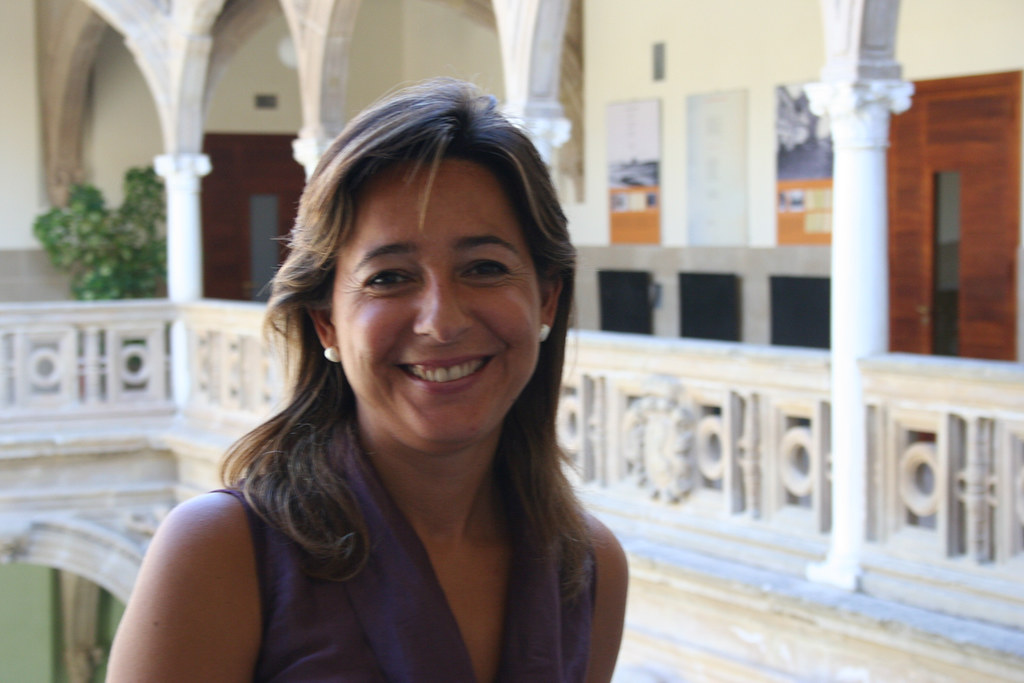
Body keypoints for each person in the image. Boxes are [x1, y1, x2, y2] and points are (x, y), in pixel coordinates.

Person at [107, 78, 628, 682]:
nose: (442, 322)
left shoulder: (587, 568)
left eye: (484, 268)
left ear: (547, 298)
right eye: (388, 278)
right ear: (326, 322)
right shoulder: (223, 552)